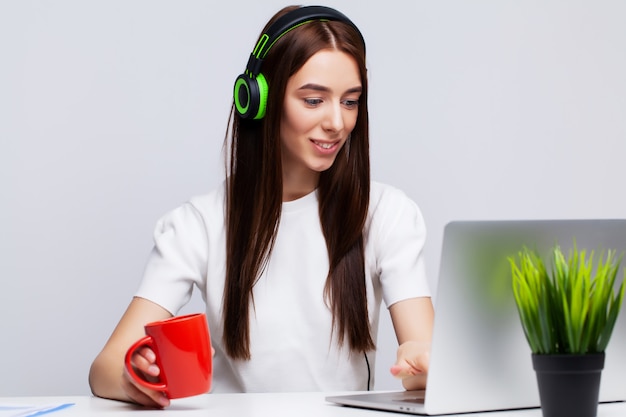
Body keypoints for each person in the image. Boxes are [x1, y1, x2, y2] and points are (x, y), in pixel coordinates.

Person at [89, 4, 434, 408]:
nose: (337, 123)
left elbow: (424, 353)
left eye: (350, 101)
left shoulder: (386, 215)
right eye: (313, 100)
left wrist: (423, 367)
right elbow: (104, 368)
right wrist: (137, 377)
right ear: (258, 100)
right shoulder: (198, 225)